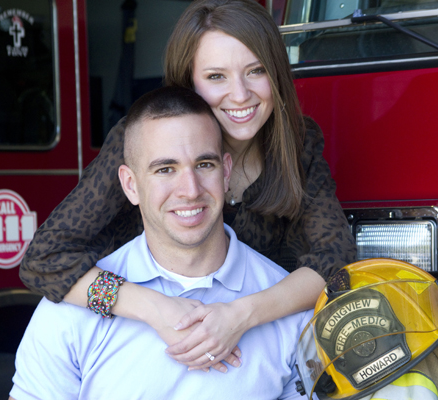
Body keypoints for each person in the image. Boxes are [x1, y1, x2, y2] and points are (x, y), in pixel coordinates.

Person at [20, 0, 356, 373]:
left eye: (255, 71)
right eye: (216, 77)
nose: (240, 94)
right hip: (139, 344)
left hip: (258, 354)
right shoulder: (143, 139)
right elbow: (44, 261)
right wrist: (155, 309)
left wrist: (239, 316)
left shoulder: (299, 141)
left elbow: (336, 262)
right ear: (188, 82)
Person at [9, 86, 312, 400]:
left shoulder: (288, 308)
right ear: (131, 185)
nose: (190, 190)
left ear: (226, 172)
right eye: (165, 169)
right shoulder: (72, 309)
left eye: (204, 165)